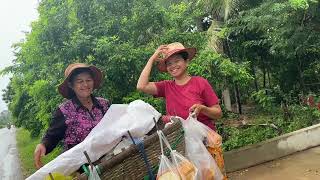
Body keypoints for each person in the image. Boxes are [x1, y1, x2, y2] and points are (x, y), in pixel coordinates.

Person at [34, 63, 110, 169]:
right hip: (81, 168)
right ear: (71, 85)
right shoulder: (64, 110)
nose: (85, 85)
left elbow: (114, 127)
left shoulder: (104, 104)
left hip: (109, 161)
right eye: (80, 81)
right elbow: (53, 135)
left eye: (88, 80)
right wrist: (43, 145)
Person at [136, 42, 222, 130]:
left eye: (177, 61)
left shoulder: (200, 82)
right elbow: (141, 86)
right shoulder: (166, 86)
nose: (173, 66)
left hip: (205, 139)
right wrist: (152, 58)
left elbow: (218, 113)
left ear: (186, 62)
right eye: (169, 64)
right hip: (179, 140)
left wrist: (203, 109)